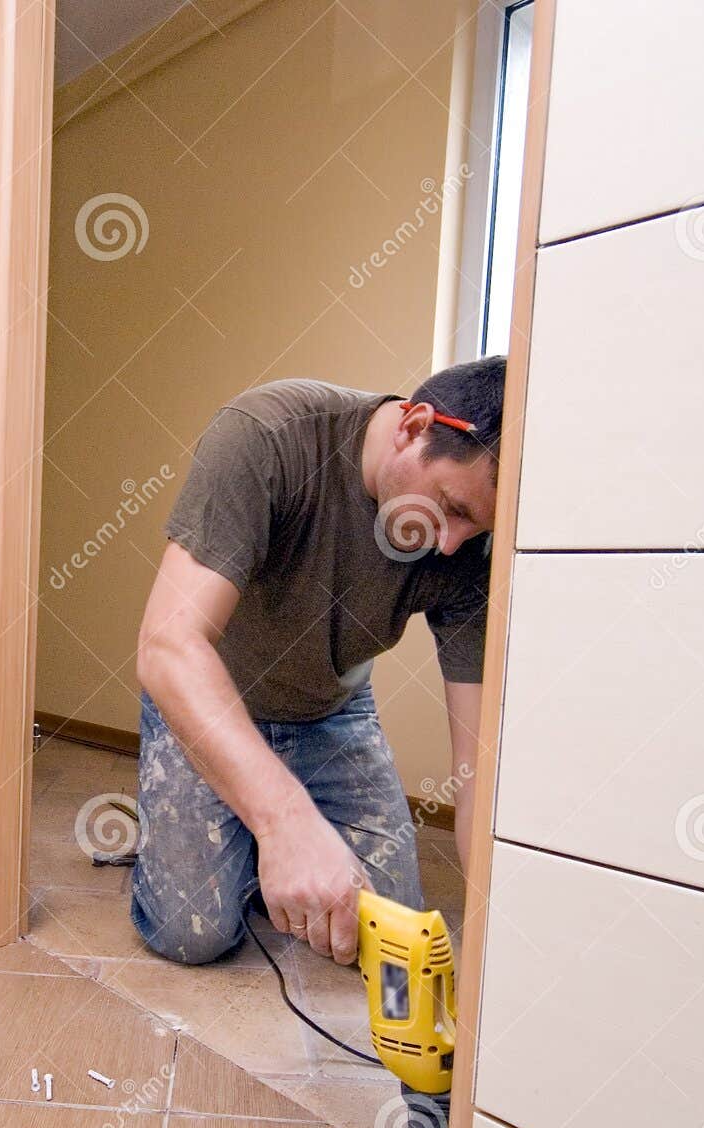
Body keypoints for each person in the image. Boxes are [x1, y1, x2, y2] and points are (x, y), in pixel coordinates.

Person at [131, 357, 504, 966]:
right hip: (210, 699)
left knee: (388, 927)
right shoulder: (266, 435)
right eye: (453, 507)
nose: (450, 544)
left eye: (475, 527)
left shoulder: (468, 550)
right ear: (414, 426)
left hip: (331, 712)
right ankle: (223, 834)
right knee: (192, 933)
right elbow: (169, 648)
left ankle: (251, 839)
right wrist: (283, 823)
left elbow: (476, 770)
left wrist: (500, 930)